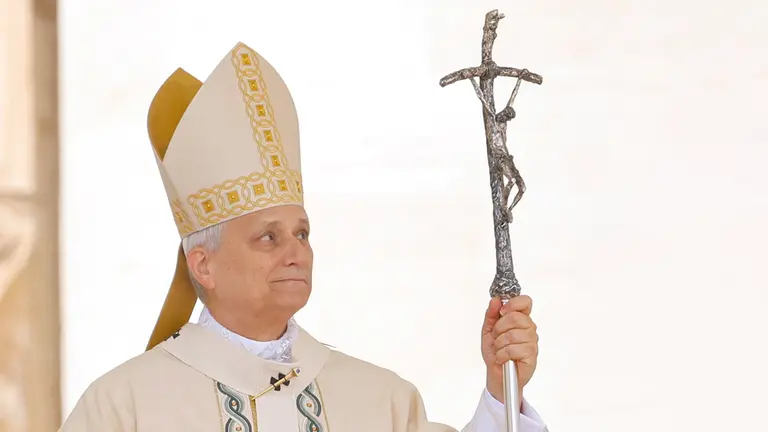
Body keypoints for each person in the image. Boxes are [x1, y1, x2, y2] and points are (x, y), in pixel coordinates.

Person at [59, 41, 549, 432]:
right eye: (268, 238)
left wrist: (500, 391)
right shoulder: (125, 408)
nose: (296, 252)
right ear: (203, 265)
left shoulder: (381, 401)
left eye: (302, 233)